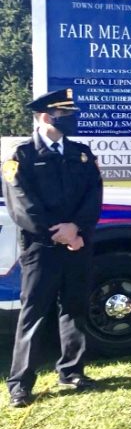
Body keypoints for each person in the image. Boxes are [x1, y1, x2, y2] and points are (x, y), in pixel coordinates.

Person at [1, 89, 102, 408]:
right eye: (64, 114)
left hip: (78, 244)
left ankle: (72, 370)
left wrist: (77, 229)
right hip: (40, 248)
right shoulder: (20, 157)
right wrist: (56, 233)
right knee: (34, 314)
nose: (72, 119)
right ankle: (20, 383)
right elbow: (22, 205)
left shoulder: (81, 153)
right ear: (46, 116)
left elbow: (94, 194)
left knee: (75, 307)